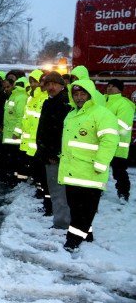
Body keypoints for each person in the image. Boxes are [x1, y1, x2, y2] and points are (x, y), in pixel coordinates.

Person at [59, 80, 119, 252]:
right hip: (72, 171)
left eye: (82, 94)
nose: (79, 98)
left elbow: (109, 141)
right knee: (76, 208)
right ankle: (87, 234)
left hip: (91, 172)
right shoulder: (72, 114)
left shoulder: (101, 114)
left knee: (84, 210)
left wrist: (100, 164)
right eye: (76, 94)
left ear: (90, 94)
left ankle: (73, 240)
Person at [36, 72, 72, 229]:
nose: (50, 87)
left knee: (59, 192)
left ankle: (62, 224)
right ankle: (61, 221)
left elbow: (61, 132)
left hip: (55, 155)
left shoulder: (64, 103)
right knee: (55, 190)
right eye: (48, 84)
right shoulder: (48, 102)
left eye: (54, 84)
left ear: (62, 86)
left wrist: (54, 153)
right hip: (47, 153)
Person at [104, 79, 135, 202]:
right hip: (104, 143)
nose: (109, 88)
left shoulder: (124, 104)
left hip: (118, 145)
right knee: (99, 169)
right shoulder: (103, 101)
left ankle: (123, 194)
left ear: (120, 89)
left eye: (113, 86)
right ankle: (97, 190)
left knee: (119, 172)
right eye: (108, 86)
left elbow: (123, 126)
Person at [0, 77, 27, 183]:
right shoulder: (10, 97)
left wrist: (16, 132)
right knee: (12, 161)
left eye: (8, 86)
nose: (6, 89)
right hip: (8, 135)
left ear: (13, 85)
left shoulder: (20, 97)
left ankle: (20, 182)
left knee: (18, 161)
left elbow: (21, 117)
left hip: (15, 136)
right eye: (4, 87)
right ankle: (13, 180)